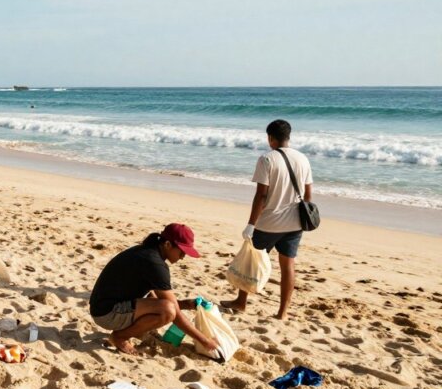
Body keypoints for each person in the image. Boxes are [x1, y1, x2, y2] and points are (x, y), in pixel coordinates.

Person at [222, 119, 313, 321]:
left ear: (270, 138)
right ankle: (282, 312)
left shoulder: (267, 159)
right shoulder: (303, 158)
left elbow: (261, 196)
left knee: (252, 262)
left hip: (269, 223)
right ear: (288, 137)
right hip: (295, 223)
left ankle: (241, 302)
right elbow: (308, 193)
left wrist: (251, 224)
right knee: (288, 265)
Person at [89, 224, 218, 356]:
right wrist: (205, 341)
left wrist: (187, 304)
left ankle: (134, 330)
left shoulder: (147, 252)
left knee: (162, 302)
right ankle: (120, 337)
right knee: (167, 311)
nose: (183, 256)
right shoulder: (154, 263)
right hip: (107, 314)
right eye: (182, 251)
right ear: (167, 244)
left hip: (102, 307)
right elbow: (174, 313)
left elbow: (157, 298)